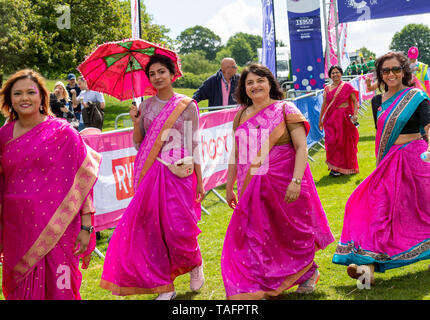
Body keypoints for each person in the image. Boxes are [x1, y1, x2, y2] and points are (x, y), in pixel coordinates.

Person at [221, 63, 334, 300]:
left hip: (285, 185)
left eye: (259, 80)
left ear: (270, 83)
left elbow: (301, 147)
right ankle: (261, 278)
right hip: (250, 185)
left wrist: (295, 180)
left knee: (288, 232)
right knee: (258, 234)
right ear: (244, 88)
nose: (255, 86)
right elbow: (236, 152)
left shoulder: (286, 109)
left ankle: (307, 273)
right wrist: (229, 185)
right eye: (249, 83)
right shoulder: (241, 114)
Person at [100, 54, 205, 300]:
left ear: (172, 74)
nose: (157, 77)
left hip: (179, 172)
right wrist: (136, 122)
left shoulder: (187, 105)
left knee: (180, 228)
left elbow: (194, 143)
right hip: (151, 173)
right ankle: (163, 285)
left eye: (161, 72)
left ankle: (195, 261)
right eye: (152, 74)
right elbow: (140, 143)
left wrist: (200, 180)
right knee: (152, 231)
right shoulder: (145, 106)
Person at [0, 69, 101, 300]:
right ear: (9, 99)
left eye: (30, 92)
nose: (24, 98)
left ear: (42, 97)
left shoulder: (62, 132)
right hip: (18, 230)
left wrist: (86, 226)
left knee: (61, 290)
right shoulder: (3, 136)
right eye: (17, 94)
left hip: (60, 228)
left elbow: (83, 179)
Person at [332, 51, 430, 286]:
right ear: (380, 75)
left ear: (404, 71)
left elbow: (429, 126)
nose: (391, 74)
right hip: (389, 163)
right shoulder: (377, 102)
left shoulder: (418, 97)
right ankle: (367, 272)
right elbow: (382, 135)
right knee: (373, 209)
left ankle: (367, 273)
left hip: (416, 160)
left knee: (421, 213)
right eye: (385, 71)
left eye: (396, 69)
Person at [318, 66, 360, 176]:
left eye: (337, 72)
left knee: (343, 143)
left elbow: (355, 101)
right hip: (330, 119)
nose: (335, 75)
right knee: (332, 142)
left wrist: (355, 115)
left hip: (344, 118)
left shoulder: (346, 86)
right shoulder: (327, 88)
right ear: (330, 75)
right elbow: (324, 105)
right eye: (332, 73)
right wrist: (320, 120)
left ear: (341, 74)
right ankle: (334, 167)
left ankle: (343, 168)